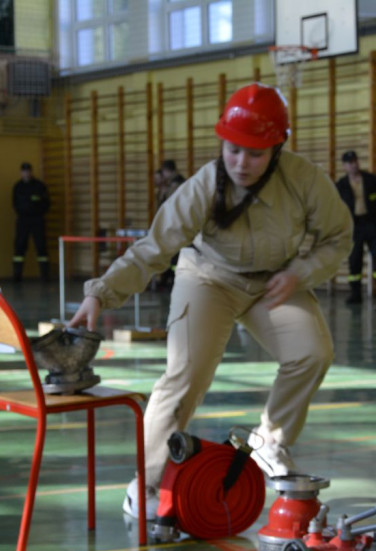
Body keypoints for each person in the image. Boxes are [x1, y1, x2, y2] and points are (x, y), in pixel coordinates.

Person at [67, 83, 352, 519]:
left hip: (274, 283)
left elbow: (338, 238)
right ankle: (145, 484)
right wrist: (101, 294)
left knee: (313, 354)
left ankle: (269, 443)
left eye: (255, 154)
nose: (241, 163)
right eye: (233, 149)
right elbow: (154, 247)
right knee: (184, 376)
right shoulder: (203, 185)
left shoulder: (305, 181)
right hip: (208, 278)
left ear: (277, 148)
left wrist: (301, 274)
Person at [335, 150, 376, 305]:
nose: (354, 164)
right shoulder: (341, 185)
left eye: (355, 161)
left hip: (372, 223)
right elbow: (334, 209)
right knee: (354, 260)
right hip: (354, 227)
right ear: (344, 166)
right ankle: (355, 294)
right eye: (350, 162)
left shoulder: (370, 180)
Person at [11, 161, 51, 282]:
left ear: (31, 172)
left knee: (41, 246)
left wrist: (38, 213)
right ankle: (17, 276)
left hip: (37, 220)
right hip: (23, 220)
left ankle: (45, 275)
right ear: (21, 172)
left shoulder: (39, 186)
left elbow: (46, 203)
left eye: (28, 171)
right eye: (24, 171)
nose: (26, 173)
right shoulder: (18, 186)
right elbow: (14, 203)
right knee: (19, 247)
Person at [155, 160, 185, 289]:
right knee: (172, 255)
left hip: (176, 225)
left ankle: (171, 280)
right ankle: (168, 279)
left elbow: (170, 205)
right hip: (174, 225)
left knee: (175, 255)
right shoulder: (173, 183)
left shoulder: (176, 184)